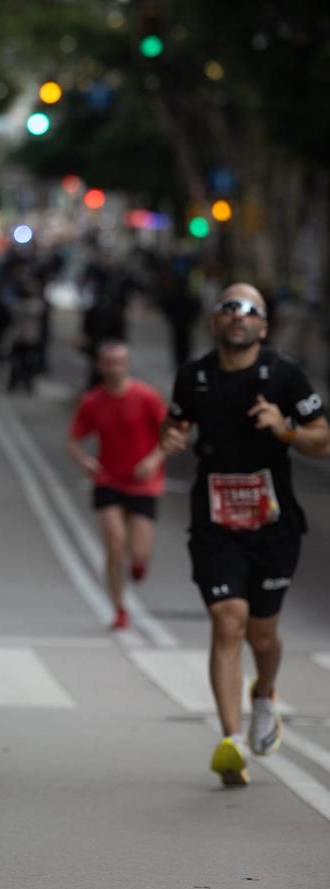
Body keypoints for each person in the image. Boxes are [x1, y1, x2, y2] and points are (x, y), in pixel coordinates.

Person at [159, 285, 329, 787]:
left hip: (274, 525)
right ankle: (231, 740)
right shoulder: (194, 376)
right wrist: (171, 438)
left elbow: (322, 439)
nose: (239, 315)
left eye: (251, 309)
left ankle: (264, 695)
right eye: (229, 307)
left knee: (262, 635)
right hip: (214, 522)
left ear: (264, 326)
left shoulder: (284, 375)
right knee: (227, 619)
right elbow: (174, 426)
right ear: (215, 321)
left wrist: (285, 429)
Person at [67, 341, 166, 631]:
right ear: (100, 366)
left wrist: (153, 460)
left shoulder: (147, 397)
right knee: (114, 543)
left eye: (119, 362)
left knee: (139, 553)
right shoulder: (92, 401)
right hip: (108, 479)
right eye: (108, 363)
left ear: (127, 364)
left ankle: (138, 564)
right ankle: (119, 607)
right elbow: (73, 439)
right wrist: (84, 461)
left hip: (144, 482)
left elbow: (168, 435)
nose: (114, 368)